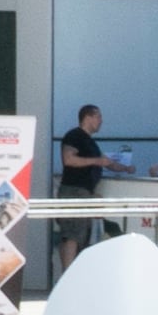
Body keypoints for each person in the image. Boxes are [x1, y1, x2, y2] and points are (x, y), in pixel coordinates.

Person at [52, 107, 107, 263]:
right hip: (73, 192)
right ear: (87, 117)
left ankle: (75, 275)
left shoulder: (90, 142)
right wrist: (96, 161)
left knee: (82, 236)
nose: (101, 121)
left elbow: (105, 160)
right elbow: (68, 159)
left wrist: (125, 167)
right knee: (72, 235)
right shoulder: (74, 136)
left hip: (84, 192)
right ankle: (68, 277)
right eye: (98, 116)